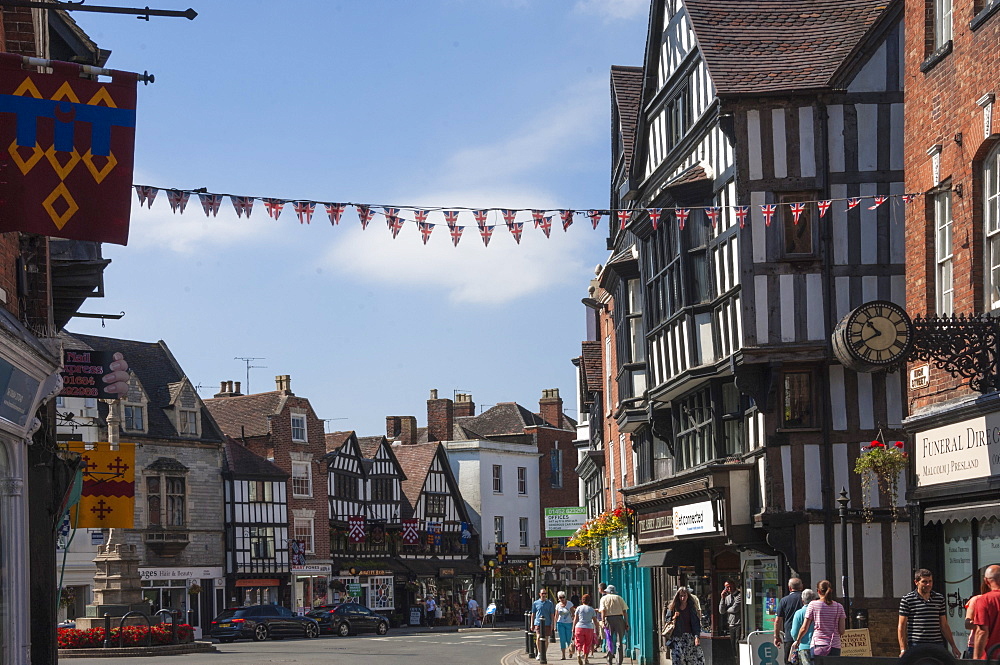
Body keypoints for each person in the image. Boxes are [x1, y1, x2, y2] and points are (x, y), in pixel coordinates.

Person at [898, 568, 961, 658]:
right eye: (924, 582)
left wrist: (953, 646)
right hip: (917, 644)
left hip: (936, 643)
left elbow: (944, 625)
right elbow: (902, 626)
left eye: (930, 581)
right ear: (916, 582)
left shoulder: (939, 599)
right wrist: (903, 649)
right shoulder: (907, 600)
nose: (928, 584)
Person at [793, 580, 845, 657]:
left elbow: (804, 628)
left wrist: (798, 640)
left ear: (818, 591)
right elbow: (841, 631)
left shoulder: (813, 605)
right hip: (834, 646)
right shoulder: (839, 607)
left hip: (818, 645)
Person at [667, 587, 705, 665]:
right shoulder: (674, 607)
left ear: (688, 596)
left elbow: (696, 623)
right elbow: (667, 621)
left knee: (693, 660)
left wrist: (696, 636)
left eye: (684, 595)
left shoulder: (691, 607)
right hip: (677, 637)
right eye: (681, 596)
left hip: (689, 637)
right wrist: (674, 617)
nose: (683, 598)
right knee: (678, 660)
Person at [973, 564, 1000, 660]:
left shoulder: (985, 600)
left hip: (993, 656)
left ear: (986, 581)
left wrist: (977, 658)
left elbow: (982, 632)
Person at [774, 578, 804, 664]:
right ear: (801, 587)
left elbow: (778, 620)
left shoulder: (784, 600)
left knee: (789, 662)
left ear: (789, 588)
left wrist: (776, 636)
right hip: (805, 638)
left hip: (790, 636)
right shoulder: (806, 599)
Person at [599, 584, 629, 665]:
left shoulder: (603, 598)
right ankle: (619, 661)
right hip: (619, 619)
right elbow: (624, 611)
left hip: (608, 619)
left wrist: (603, 621)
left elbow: (603, 611)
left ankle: (609, 660)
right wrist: (626, 622)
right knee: (619, 641)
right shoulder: (619, 598)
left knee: (609, 640)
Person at [788, 588, 818, 665]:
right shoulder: (819, 611)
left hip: (804, 646)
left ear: (802, 600)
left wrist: (798, 640)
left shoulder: (799, 613)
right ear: (814, 599)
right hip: (819, 645)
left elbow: (794, 632)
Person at [965, 576, 991, 658]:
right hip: (976, 645)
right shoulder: (976, 599)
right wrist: (983, 623)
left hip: (993, 645)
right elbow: (967, 624)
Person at [573, 593, 600, 665]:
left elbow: (575, 619)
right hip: (589, 628)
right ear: (589, 601)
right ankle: (586, 659)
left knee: (579, 643)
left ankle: (578, 653)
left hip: (579, 627)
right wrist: (597, 629)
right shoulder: (591, 609)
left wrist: (573, 628)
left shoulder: (578, 608)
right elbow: (595, 620)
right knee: (587, 643)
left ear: (582, 600)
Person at [719, 579, 741, 663]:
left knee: (737, 644)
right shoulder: (727, 598)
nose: (729, 589)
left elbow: (735, 609)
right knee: (732, 646)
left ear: (733, 585)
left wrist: (727, 609)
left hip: (739, 624)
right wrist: (722, 598)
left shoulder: (739, 595)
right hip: (731, 624)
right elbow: (721, 611)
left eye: (730, 586)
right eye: (726, 587)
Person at [532, 588, 557, 664]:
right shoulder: (535, 603)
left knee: (546, 639)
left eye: (545, 593)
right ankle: (539, 652)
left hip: (547, 623)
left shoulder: (550, 603)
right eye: (542, 593)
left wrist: (553, 623)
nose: (544, 595)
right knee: (539, 637)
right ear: (539, 594)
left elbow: (552, 614)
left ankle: (544, 653)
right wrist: (532, 624)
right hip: (538, 623)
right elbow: (533, 614)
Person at [556, 591, 575, 660]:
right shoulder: (557, 605)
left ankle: (570, 652)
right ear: (558, 598)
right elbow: (556, 615)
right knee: (562, 640)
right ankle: (563, 655)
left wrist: (574, 623)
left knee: (568, 639)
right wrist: (555, 625)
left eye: (563, 597)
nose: (562, 599)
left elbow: (573, 614)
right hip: (560, 623)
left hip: (569, 623)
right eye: (560, 598)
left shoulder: (569, 604)